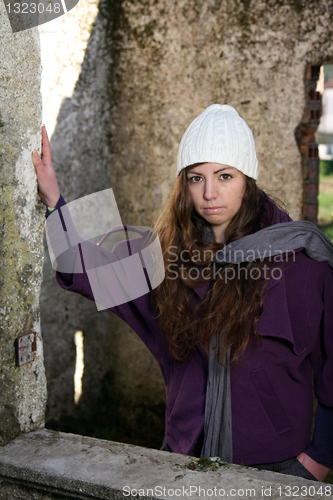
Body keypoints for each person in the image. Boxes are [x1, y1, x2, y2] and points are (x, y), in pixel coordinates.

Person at [32, 104, 333, 482]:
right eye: (196, 178)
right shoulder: (164, 261)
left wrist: (319, 458)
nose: (210, 193)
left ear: (248, 179)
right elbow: (81, 268)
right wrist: (54, 201)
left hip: (277, 467)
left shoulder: (303, 263)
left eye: (225, 176)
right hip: (182, 460)